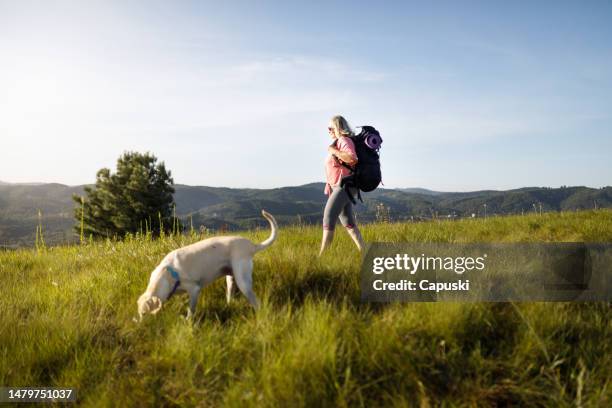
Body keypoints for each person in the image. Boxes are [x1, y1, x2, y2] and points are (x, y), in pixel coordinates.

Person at [319, 115, 365, 256]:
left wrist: (333, 151)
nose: (328, 130)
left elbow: (352, 159)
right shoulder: (338, 142)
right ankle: (366, 255)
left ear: (338, 127)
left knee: (328, 218)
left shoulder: (344, 140)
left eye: (330, 128)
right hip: (338, 187)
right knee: (349, 223)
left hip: (345, 186)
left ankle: (321, 259)